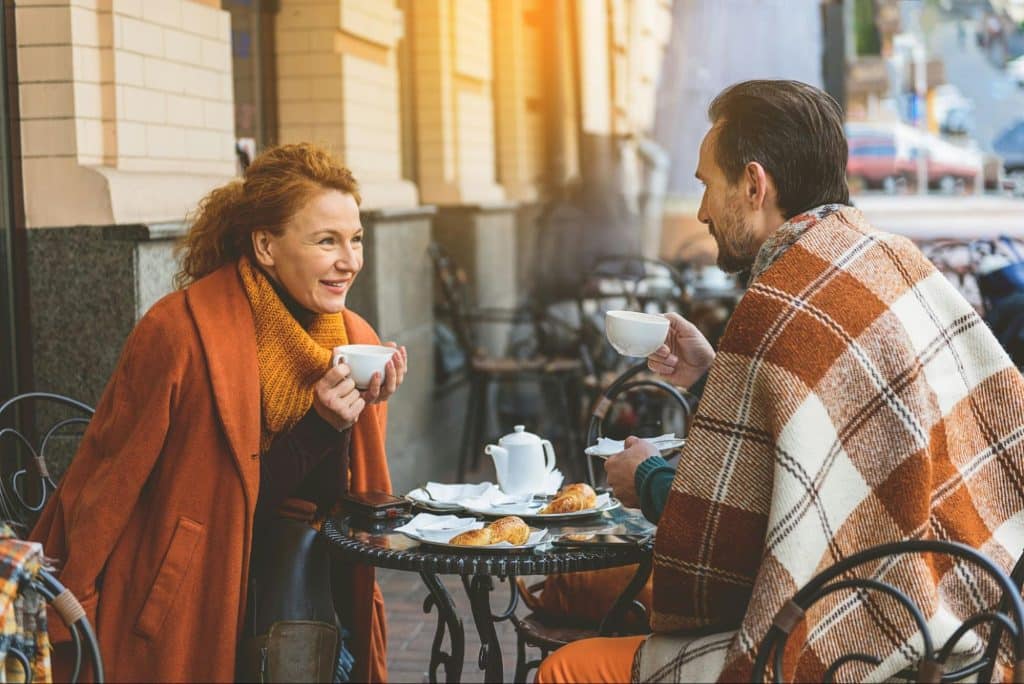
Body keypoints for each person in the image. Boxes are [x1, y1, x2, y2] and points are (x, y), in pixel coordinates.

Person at [537, 80, 1024, 682]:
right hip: (970, 613)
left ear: (752, 182)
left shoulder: (778, 300)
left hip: (844, 639)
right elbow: (833, 430)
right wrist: (717, 374)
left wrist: (649, 478)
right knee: (591, 587)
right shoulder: (893, 257)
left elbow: (729, 546)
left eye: (705, 185)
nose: (701, 212)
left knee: (567, 666)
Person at [30, 143, 407, 682]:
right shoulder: (179, 333)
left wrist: (361, 417)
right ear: (266, 245)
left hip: (316, 616)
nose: (349, 261)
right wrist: (69, 602)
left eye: (356, 239)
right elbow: (110, 485)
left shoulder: (355, 338)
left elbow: (337, 500)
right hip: (200, 613)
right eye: (326, 241)